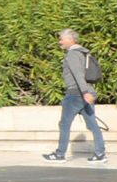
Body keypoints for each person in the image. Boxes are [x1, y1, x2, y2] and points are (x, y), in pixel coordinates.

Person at [43, 28, 107, 163]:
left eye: (62, 39)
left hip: (75, 94)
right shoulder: (84, 53)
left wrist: (84, 92)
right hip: (86, 92)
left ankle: (60, 154)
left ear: (70, 40)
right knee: (92, 124)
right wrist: (87, 92)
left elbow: (78, 75)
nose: (60, 42)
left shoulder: (72, 54)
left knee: (64, 124)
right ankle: (100, 153)